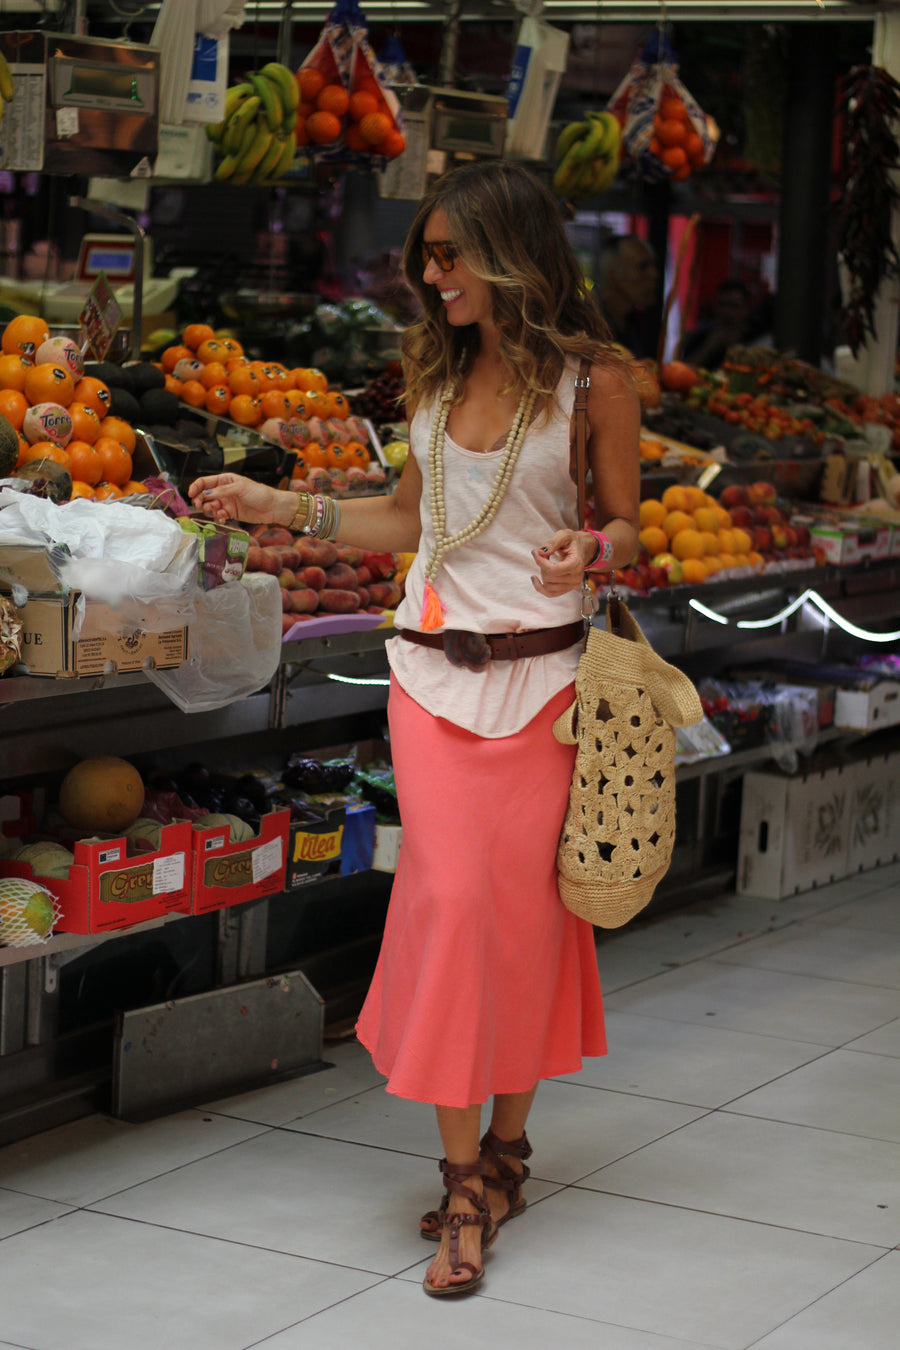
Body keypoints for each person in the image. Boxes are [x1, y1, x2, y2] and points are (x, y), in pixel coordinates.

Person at [189, 160, 641, 1299]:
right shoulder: (434, 374)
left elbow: (629, 523)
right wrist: (278, 503)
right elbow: (408, 519)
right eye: (425, 257)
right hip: (432, 679)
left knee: (528, 917)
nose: (432, 275)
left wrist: (595, 549)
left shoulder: (596, 381)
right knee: (444, 909)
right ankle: (460, 1183)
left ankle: (509, 1151)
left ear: (512, 251)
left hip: (545, 688)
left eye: (451, 256)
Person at [595, 232, 659, 358]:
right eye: (642, 267)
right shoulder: (587, 323)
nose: (653, 274)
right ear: (613, 275)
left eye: (652, 266)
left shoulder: (637, 322)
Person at [678, 278, 756, 370]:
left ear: (746, 309)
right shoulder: (699, 337)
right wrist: (710, 346)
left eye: (734, 306)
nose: (727, 312)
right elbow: (682, 370)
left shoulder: (755, 339)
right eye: (722, 305)